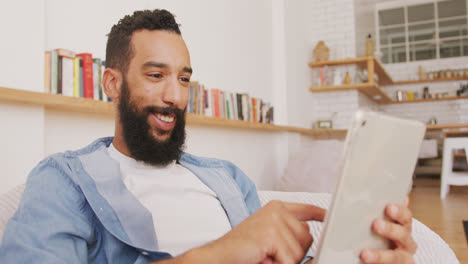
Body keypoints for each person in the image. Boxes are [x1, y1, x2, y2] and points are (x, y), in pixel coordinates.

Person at [0, 9, 417, 264]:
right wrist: (218, 254)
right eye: (156, 75)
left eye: (184, 79)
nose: (175, 96)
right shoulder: (63, 180)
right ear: (112, 83)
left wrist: (363, 253)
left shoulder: (227, 178)